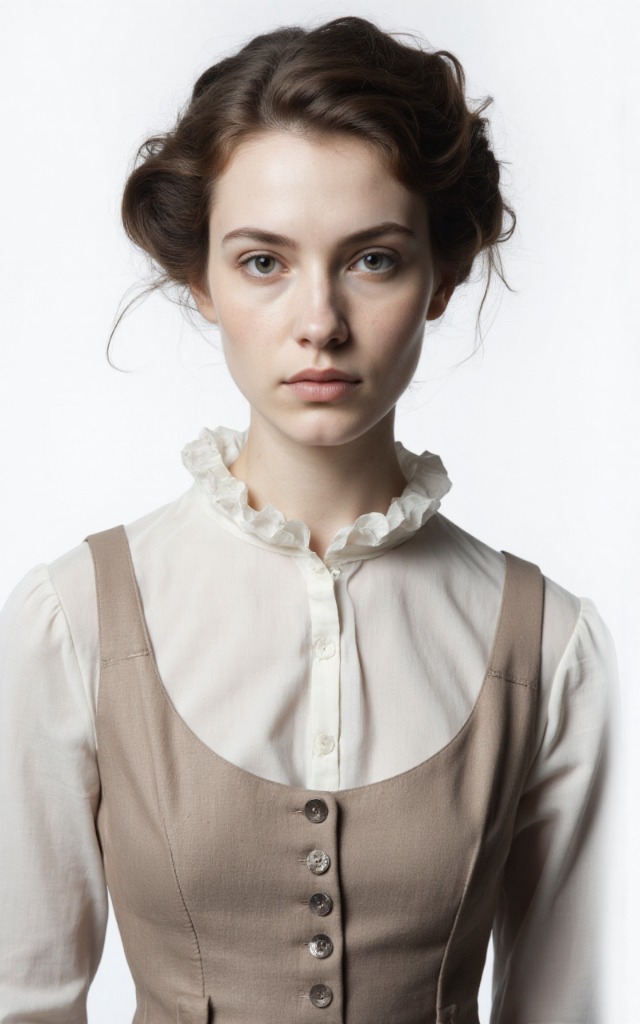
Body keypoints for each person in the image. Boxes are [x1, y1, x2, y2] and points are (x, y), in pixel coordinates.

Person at [0, 16, 615, 1024]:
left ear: (442, 277)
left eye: (372, 259)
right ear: (198, 278)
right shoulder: (71, 621)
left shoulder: (553, 648)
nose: (319, 320)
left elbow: (567, 1008)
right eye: (262, 262)